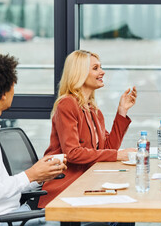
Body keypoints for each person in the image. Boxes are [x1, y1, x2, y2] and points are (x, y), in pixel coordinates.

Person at [0, 52, 67, 226]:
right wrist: (29, 175)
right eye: (13, 85)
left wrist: (38, 176)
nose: (14, 91)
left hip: (15, 214)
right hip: (2, 220)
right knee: (82, 220)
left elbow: (1, 186)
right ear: (3, 93)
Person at [38, 50, 137, 208]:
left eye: (100, 67)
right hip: (67, 185)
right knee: (121, 209)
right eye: (96, 68)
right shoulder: (67, 104)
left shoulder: (93, 110)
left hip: (87, 179)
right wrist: (118, 155)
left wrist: (122, 112)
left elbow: (109, 149)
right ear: (80, 73)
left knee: (126, 202)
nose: (102, 72)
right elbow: (73, 153)